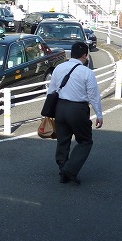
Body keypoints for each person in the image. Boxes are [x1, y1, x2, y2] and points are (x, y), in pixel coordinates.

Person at [47, 41, 103, 185]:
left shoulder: (59, 68)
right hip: (78, 110)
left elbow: (51, 91)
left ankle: (63, 172)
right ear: (85, 56)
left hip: (60, 108)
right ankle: (70, 170)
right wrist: (99, 115)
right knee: (85, 141)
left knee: (63, 141)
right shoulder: (87, 72)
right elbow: (93, 96)